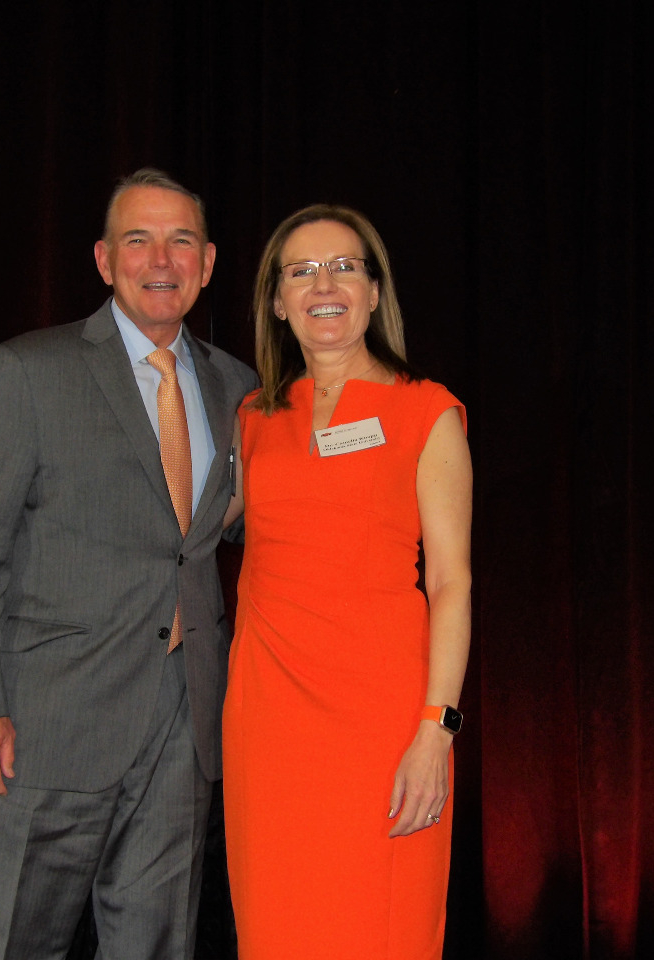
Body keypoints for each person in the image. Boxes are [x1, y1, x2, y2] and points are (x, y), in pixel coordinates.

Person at [0, 168, 257, 959]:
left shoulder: (240, 391)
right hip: (42, 728)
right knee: (8, 943)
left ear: (208, 263)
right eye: (138, 239)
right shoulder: (30, 372)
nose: (161, 258)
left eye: (181, 241)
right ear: (104, 260)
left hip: (184, 731)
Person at [221, 204, 472, 959]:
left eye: (343, 267)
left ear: (372, 292)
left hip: (384, 727)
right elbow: (177, 534)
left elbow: (453, 585)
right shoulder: (252, 418)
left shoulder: (427, 410)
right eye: (300, 271)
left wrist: (438, 728)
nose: (322, 284)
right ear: (275, 299)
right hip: (269, 728)